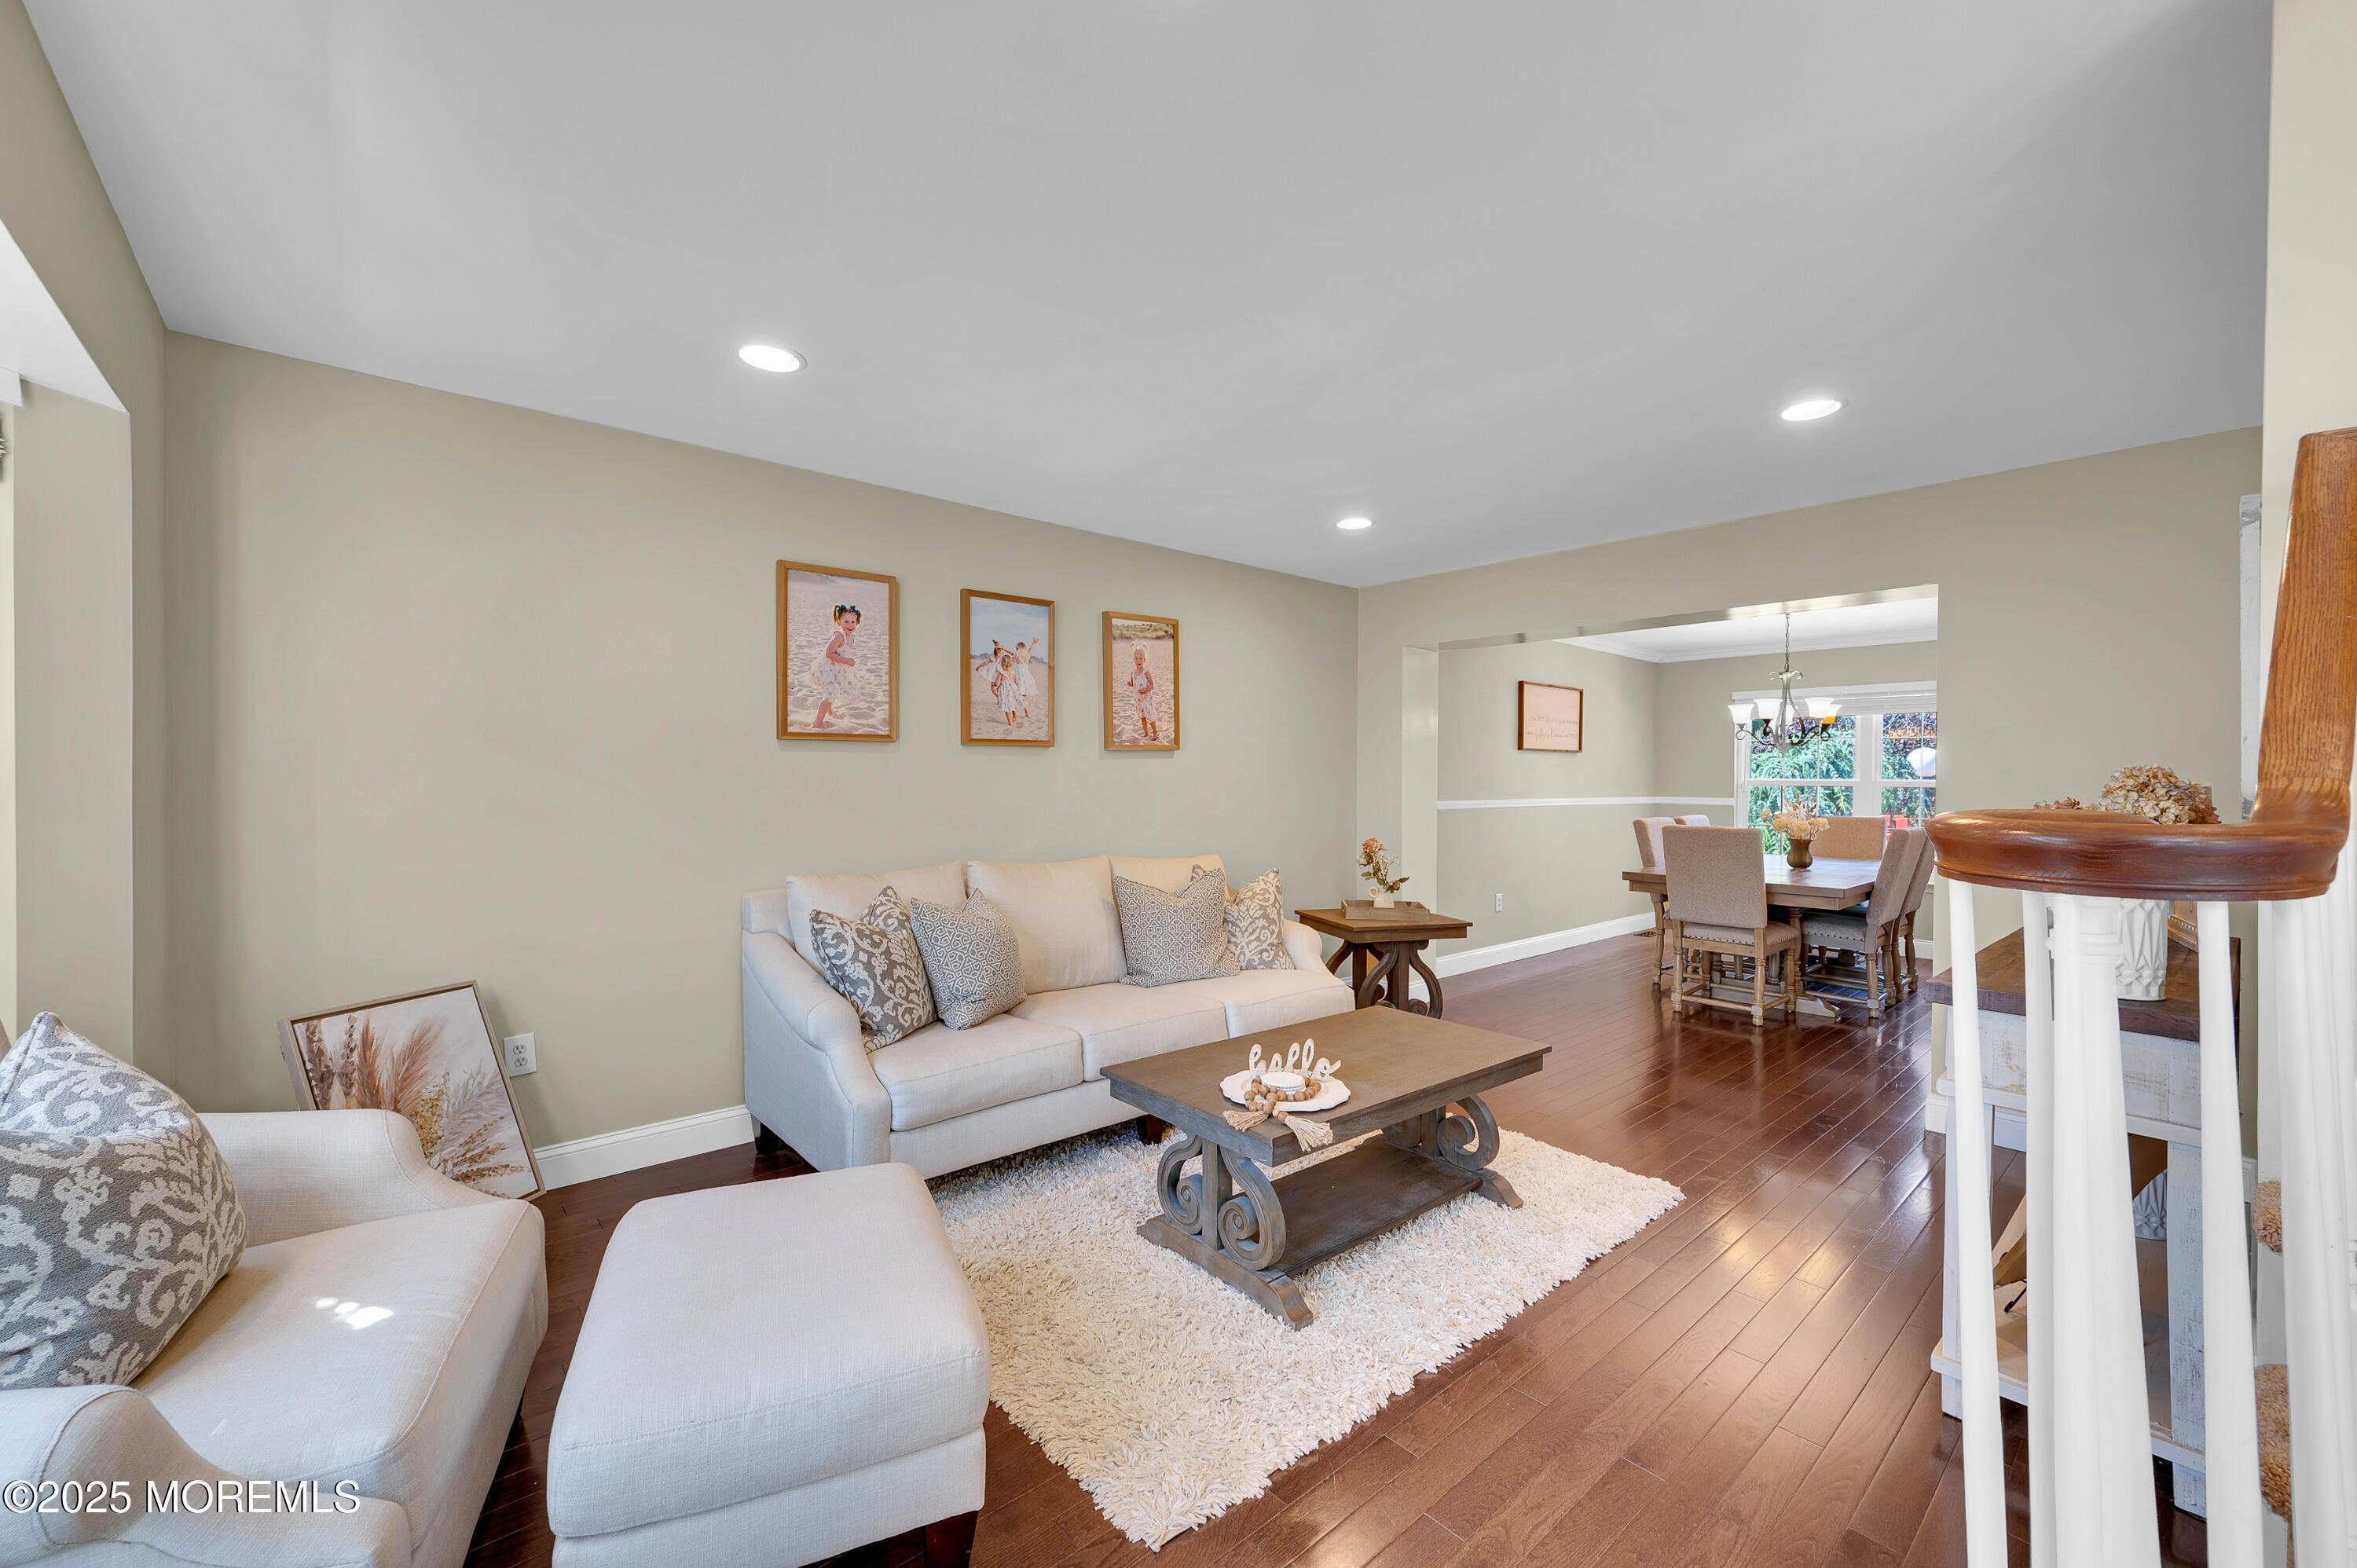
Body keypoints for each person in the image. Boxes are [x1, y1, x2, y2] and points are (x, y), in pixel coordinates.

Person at [808, 604, 860, 731]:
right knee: (830, 694)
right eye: (846, 621)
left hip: (836, 667)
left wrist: (845, 663)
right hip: (826, 667)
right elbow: (829, 653)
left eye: (853, 622)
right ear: (839, 622)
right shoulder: (839, 636)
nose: (850, 625)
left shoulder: (851, 636)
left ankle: (828, 707)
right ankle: (818, 722)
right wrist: (847, 661)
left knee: (836, 690)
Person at [1127, 643, 1159, 742]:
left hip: (1146, 698)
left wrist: (1145, 690)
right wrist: (1130, 684)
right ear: (1133, 660)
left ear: (1144, 660)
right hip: (1138, 699)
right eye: (1136, 658)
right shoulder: (1133, 672)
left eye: (1141, 658)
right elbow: (1133, 682)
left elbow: (1152, 685)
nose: (1138, 660)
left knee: (1150, 715)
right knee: (1142, 716)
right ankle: (1146, 732)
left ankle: (1155, 732)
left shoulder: (1146, 672)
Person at [1010, 638, 1040, 721]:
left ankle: (1015, 714)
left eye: (1016, 649)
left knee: (1014, 695)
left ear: (1018, 650)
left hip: (1020, 680)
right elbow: (1031, 649)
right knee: (1024, 697)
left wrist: (1002, 647)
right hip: (1026, 679)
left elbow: (1009, 652)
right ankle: (1027, 714)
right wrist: (1034, 643)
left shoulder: (1017, 657)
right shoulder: (1026, 657)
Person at [994, 648, 1024, 727]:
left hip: (1005, 693)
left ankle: (1010, 722)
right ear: (1011, 664)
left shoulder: (1001, 673)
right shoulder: (1013, 673)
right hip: (1012, 691)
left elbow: (997, 683)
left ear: (1002, 664)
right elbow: (1017, 683)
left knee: (1007, 708)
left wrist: (995, 685)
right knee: (1012, 704)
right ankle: (1014, 713)